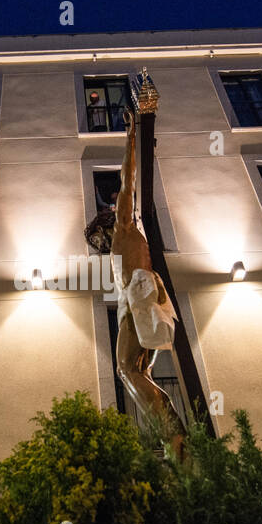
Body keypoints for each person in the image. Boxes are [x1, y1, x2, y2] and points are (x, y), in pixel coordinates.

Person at [110, 85, 185, 458]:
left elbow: (128, 182)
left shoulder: (124, 227)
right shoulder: (131, 238)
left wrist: (131, 136)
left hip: (138, 291)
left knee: (126, 368)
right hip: (142, 293)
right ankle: (171, 426)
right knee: (138, 370)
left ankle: (172, 433)